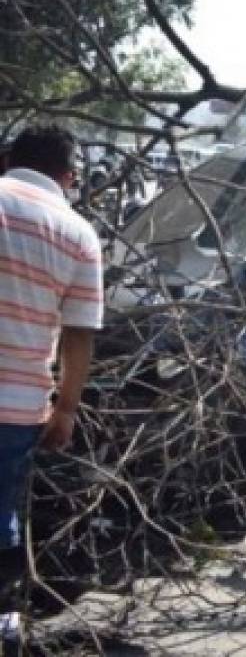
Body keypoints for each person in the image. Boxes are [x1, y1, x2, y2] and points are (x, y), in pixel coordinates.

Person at [0, 126, 102, 647]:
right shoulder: (79, 234)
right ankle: (4, 619)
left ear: (8, 158)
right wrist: (65, 410)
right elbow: (79, 336)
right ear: (68, 176)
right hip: (19, 408)